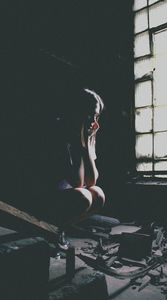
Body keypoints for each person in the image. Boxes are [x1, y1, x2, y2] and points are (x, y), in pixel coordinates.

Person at [52, 88, 105, 244]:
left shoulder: (86, 137)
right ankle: (54, 228)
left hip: (70, 194)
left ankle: (61, 228)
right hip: (50, 197)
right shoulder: (60, 136)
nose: (94, 122)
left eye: (97, 116)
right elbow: (77, 181)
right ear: (77, 112)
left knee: (98, 194)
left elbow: (91, 181)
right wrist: (79, 144)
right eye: (90, 115)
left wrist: (87, 146)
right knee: (84, 197)